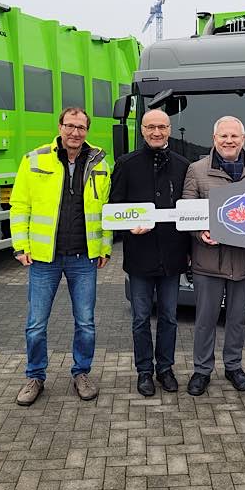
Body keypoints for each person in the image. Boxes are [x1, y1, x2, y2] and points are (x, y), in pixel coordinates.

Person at [11, 107, 112, 406]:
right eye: (70, 126)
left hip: (84, 257)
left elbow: (105, 210)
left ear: (87, 131)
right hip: (45, 258)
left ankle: (81, 373)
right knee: (36, 324)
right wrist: (20, 245)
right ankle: (35, 377)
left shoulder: (101, 163)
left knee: (86, 323)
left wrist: (104, 246)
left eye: (81, 127)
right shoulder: (34, 159)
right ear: (59, 126)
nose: (75, 132)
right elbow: (19, 205)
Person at [182, 116, 245, 396]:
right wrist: (199, 233)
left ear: (243, 139)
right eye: (223, 136)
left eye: (234, 136)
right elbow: (187, 212)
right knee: (205, 319)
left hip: (244, 261)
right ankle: (201, 370)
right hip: (209, 261)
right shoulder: (196, 170)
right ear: (214, 139)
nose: (229, 141)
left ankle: (234, 366)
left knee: (238, 318)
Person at [110, 109, 190, 396]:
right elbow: (114, 207)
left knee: (169, 316)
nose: (157, 132)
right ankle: (144, 371)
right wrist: (128, 228)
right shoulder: (126, 164)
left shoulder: (183, 165)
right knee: (141, 318)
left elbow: (190, 210)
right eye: (151, 127)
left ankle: (165, 369)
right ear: (142, 130)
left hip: (172, 255)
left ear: (169, 129)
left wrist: (191, 250)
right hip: (140, 254)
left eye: (162, 127)